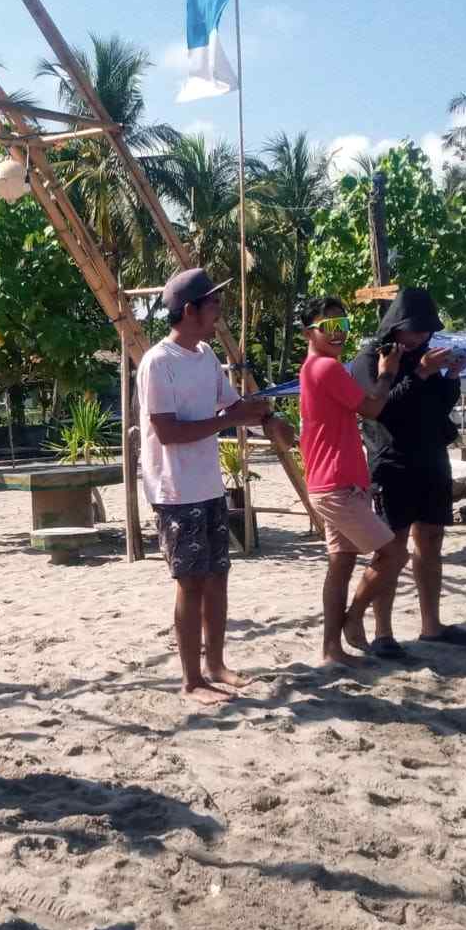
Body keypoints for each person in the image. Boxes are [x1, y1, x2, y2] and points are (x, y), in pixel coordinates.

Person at [137, 268, 274, 705]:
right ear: (189, 310)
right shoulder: (158, 362)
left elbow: (232, 405)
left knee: (217, 578)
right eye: (213, 303)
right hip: (176, 491)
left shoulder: (206, 355)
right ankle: (191, 680)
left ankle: (215, 665)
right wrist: (229, 419)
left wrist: (265, 416)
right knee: (191, 582)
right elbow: (168, 432)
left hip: (208, 485)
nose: (219, 310)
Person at [348, 288, 466, 655]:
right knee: (392, 547)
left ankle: (431, 626)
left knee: (432, 539)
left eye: (427, 331)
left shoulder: (426, 354)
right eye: (416, 330)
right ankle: (383, 632)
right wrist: (421, 373)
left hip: (432, 456)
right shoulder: (371, 357)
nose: (422, 337)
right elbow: (381, 410)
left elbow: (439, 406)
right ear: (397, 325)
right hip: (392, 461)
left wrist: (451, 376)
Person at [288, 296, 406, 668]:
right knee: (393, 554)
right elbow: (372, 407)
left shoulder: (312, 368)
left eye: (343, 324)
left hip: (331, 483)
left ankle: (331, 649)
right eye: (330, 326)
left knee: (340, 565)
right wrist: (387, 371)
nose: (339, 333)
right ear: (309, 333)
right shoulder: (326, 367)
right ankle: (354, 619)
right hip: (337, 485)